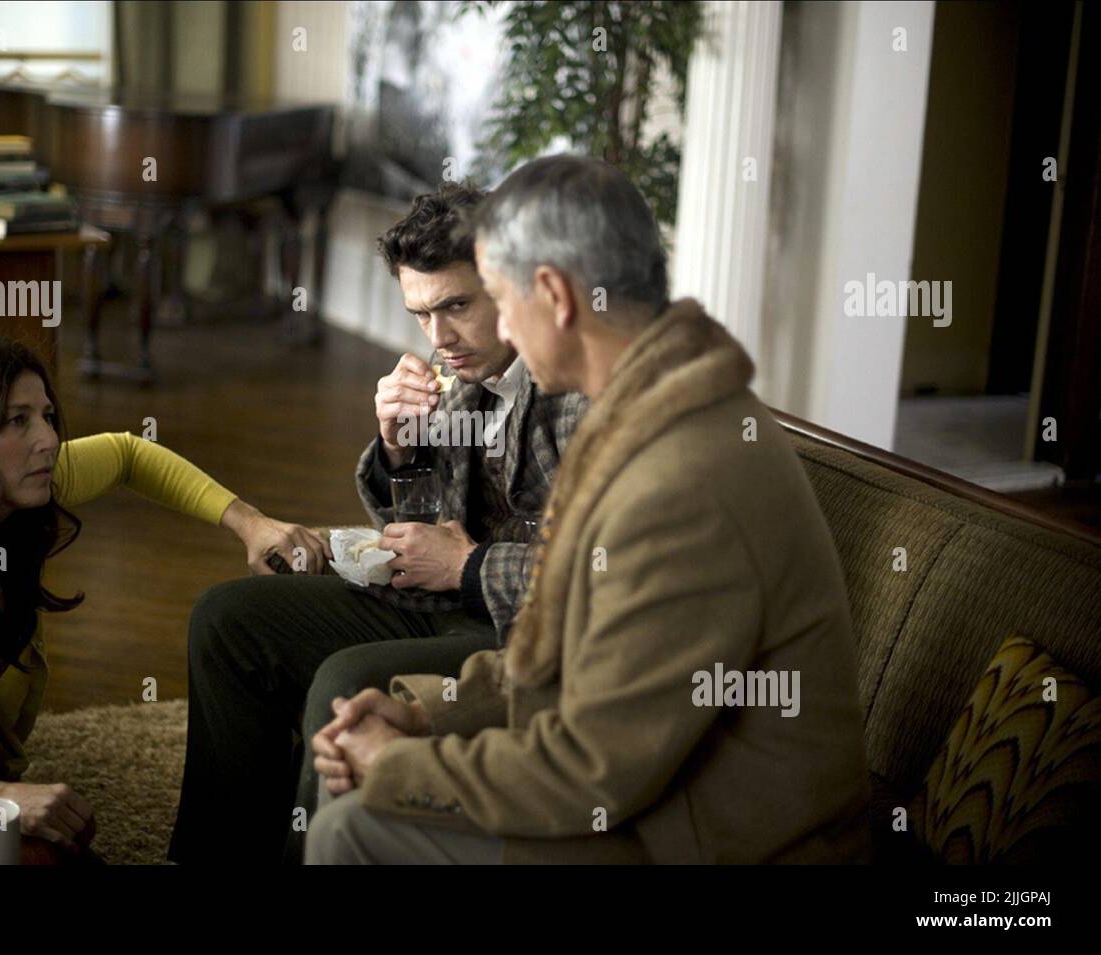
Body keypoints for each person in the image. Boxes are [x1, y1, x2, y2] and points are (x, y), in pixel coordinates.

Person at [307, 155, 871, 864]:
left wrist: (399, 763)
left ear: (555, 296)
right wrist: (426, 714)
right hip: (655, 805)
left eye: (498, 299)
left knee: (351, 824)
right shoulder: (640, 409)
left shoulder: (680, 481)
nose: (494, 329)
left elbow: (593, 770)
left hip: (700, 842)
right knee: (361, 791)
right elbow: (568, 650)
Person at [169, 182, 587, 864]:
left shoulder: (581, 392)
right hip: (446, 604)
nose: (439, 338)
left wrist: (467, 564)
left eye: (456, 306)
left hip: (524, 639)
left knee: (348, 682)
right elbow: (423, 522)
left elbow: (598, 577)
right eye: (420, 314)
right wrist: (399, 446)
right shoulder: (456, 368)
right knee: (225, 619)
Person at [0, 335, 328, 850]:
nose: (49, 440)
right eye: (18, 420)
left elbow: (129, 454)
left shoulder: (15, 489)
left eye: (47, 416)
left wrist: (250, 523)